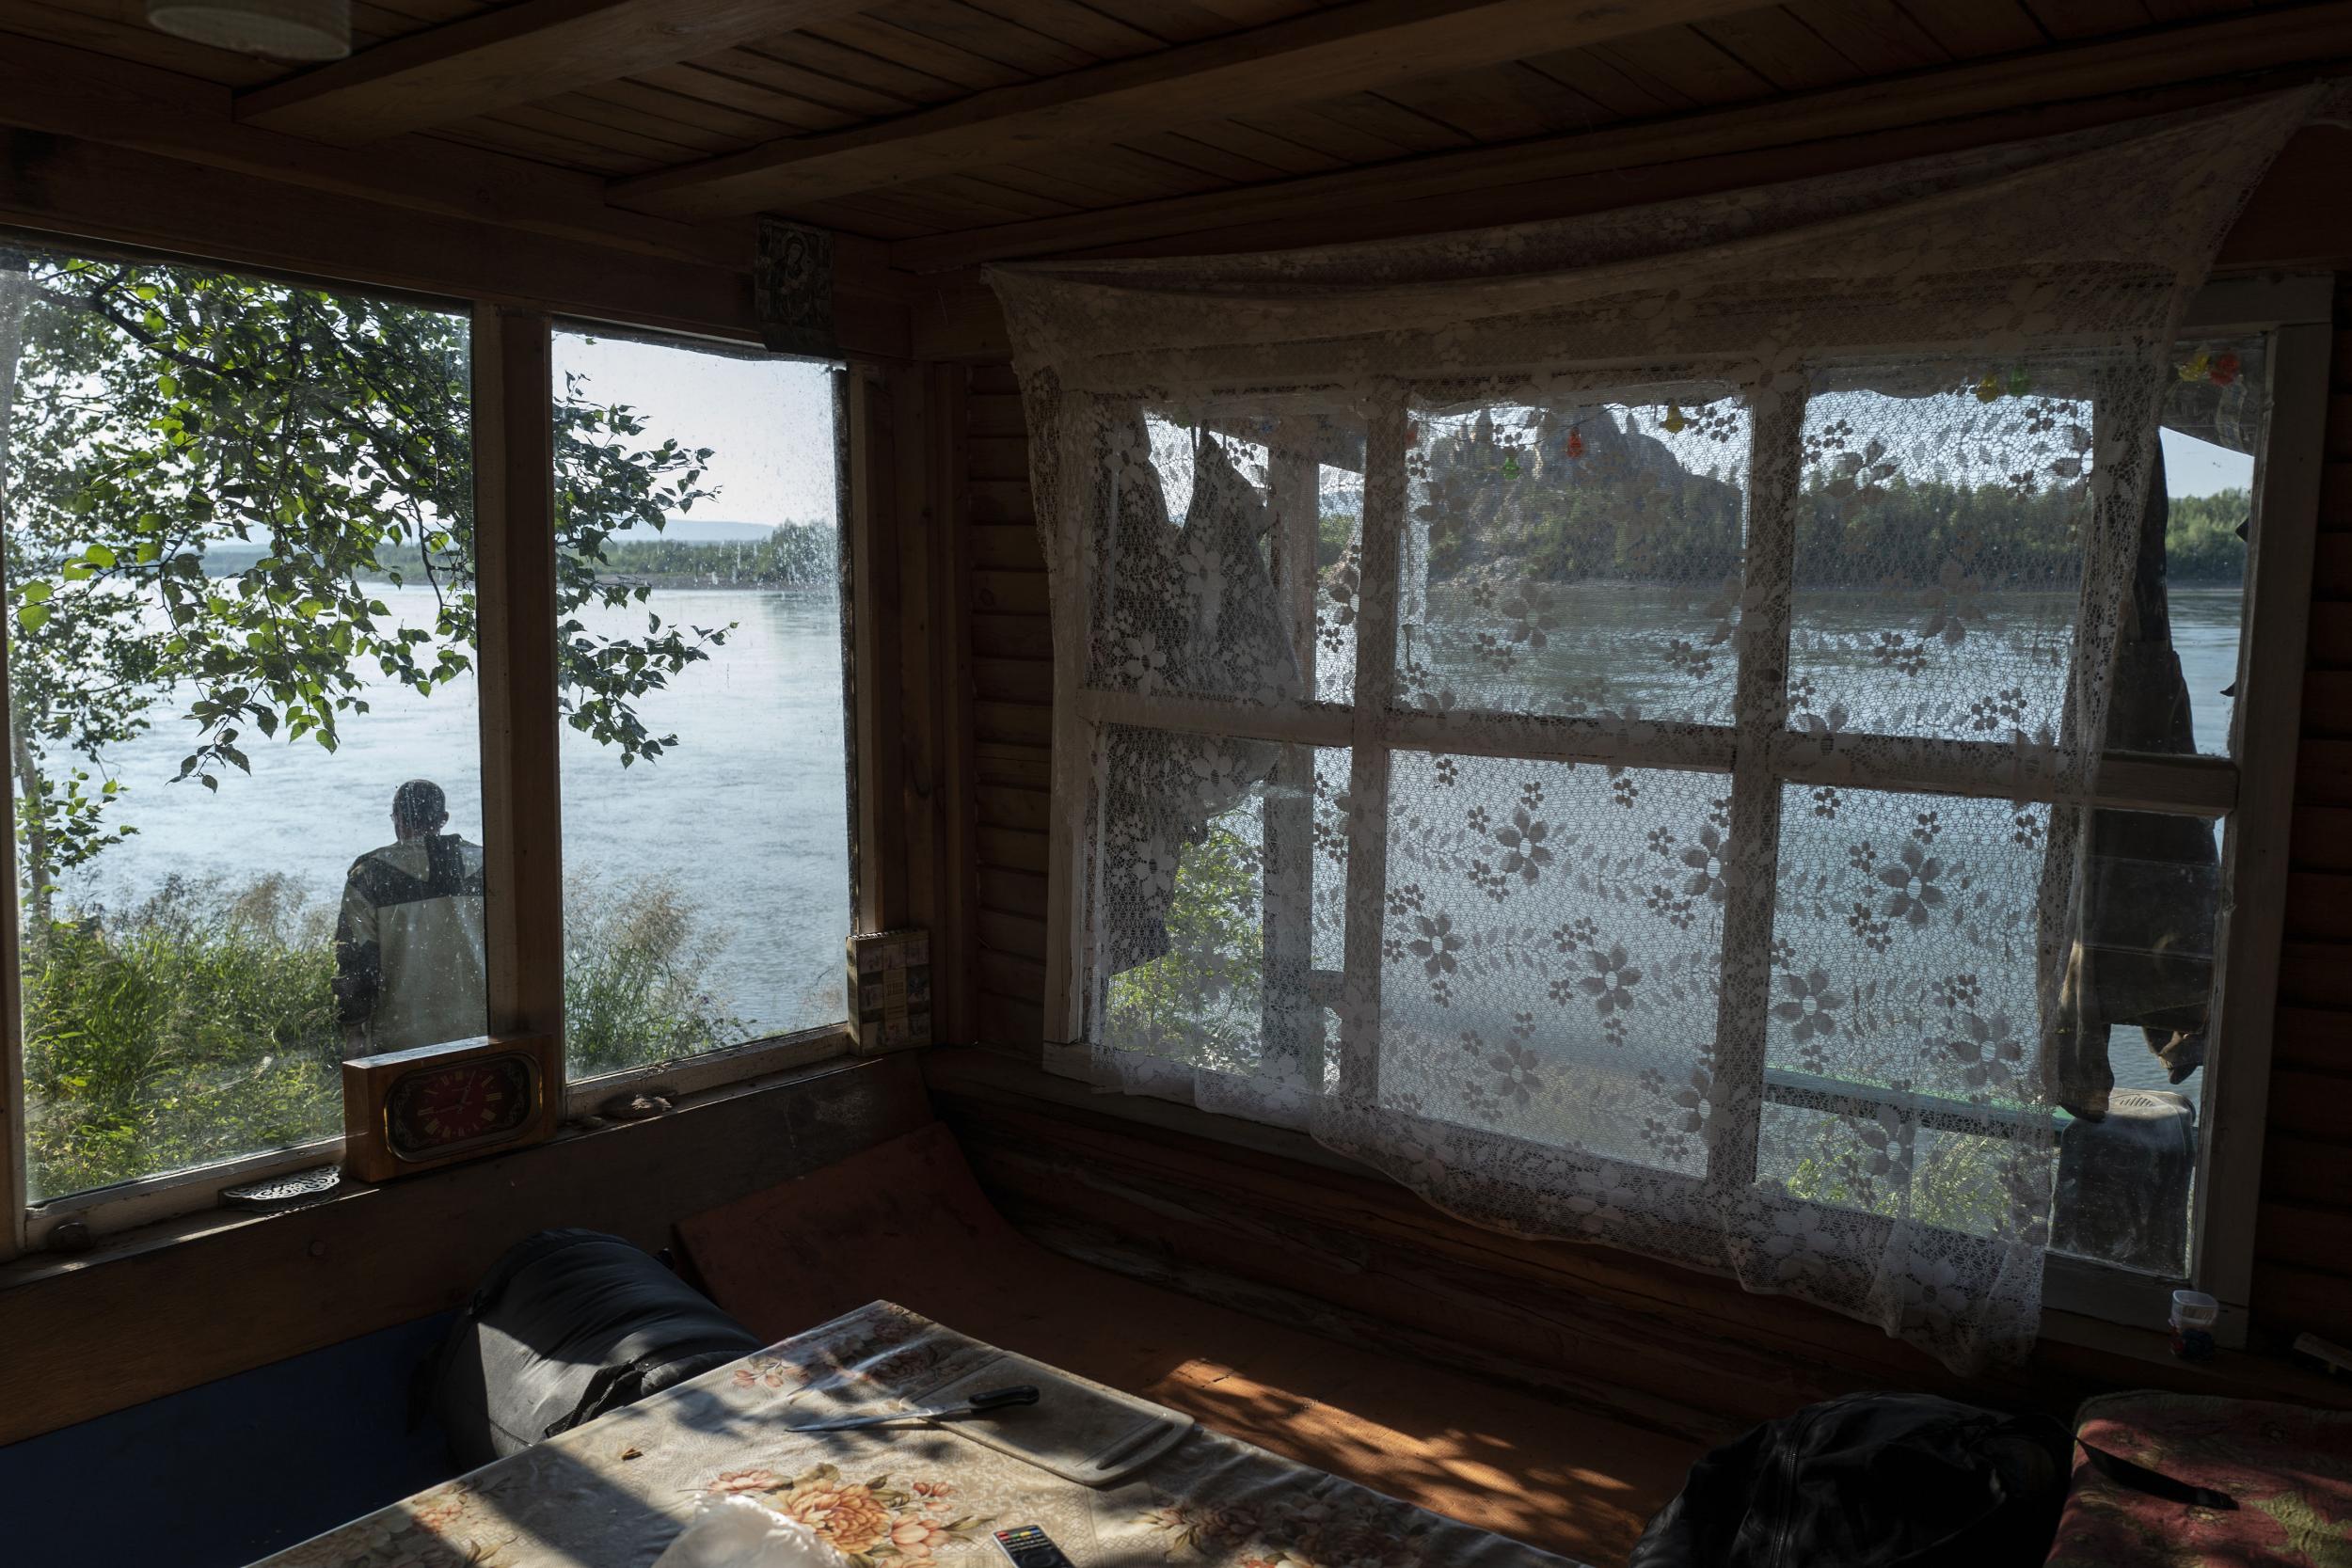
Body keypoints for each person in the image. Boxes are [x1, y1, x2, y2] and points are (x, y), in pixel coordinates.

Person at [335, 780, 488, 1054]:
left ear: (397, 818)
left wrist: (354, 1031)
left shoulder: (369, 875)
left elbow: (355, 963)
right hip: (483, 1030)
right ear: (443, 819)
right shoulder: (491, 864)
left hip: (403, 1040)